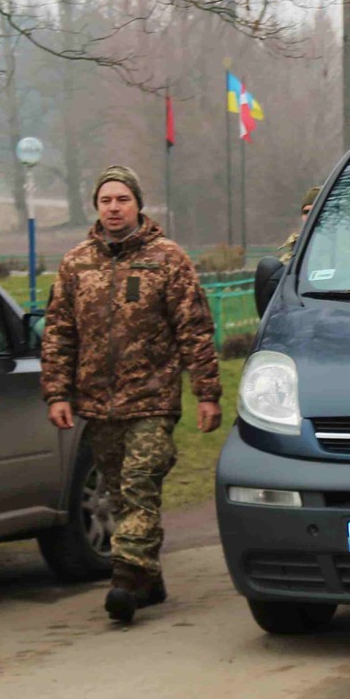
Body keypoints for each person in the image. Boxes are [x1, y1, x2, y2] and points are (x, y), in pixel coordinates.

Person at [41, 165, 223, 623]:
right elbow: (59, 333)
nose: (114, 207)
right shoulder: (76, 263)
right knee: (119, 495)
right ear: (96, 207)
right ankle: (150, 578)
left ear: (138, 204)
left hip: (153, 399)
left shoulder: (167, 259)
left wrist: (207, 392)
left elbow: (194, 329)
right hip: (97, 403)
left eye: (122, 199)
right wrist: (57, 393)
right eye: (106, 200)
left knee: (141, 484)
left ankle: (124, 579)